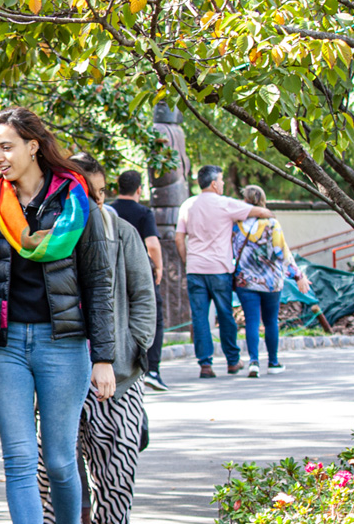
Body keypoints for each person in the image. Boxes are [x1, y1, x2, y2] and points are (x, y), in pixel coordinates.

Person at [0, 107, 115, 524]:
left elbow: (98, 280)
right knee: (19, 459)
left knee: (60, 459)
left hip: (63, 343)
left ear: (32, 145)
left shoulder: (75, 199)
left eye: (6, 146)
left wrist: (105, 356)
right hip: (3, 346)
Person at [39, 153, 156, 524]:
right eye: (86, 192)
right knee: (53, 461)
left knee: (117, 455)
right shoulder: (46, 233)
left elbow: (143, 296)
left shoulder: (120, 230)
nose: (95, 200)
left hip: (118, 373)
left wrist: (132, 349)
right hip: (59, 367)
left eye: (100, 193)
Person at [175, 165, 273, 379]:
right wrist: (265, 214)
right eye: (220, 180)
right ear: (213, 184)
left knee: (199, 318)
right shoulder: (226, 203)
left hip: (195, 270)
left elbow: (179, 238)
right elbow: (262, 212)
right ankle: (232, 361)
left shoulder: (188, 205)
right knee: (225, 315)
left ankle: (205, 365)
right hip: (220, 270)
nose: (223, 184)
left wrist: (187, 261)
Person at [232, 185, 311, 376]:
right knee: (270, 322)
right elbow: (282, 253)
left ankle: (253, 362)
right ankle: (273, 362)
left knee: (251, 321)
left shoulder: (236, 226)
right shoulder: (272, 224)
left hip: (246, 281)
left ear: (246, 202)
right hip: (271, 282)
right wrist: (297, 275)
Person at [110, 170, 167, 392]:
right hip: (136, 271)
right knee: (154, 317)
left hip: (111, 272)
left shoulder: (110, 210)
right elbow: (151, 243)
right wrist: (158, 267)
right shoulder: (143, 212)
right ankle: (152, 368)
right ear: (139, 189)